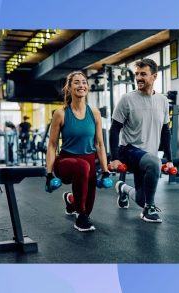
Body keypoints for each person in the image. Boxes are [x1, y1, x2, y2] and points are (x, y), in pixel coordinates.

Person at [109, 59, 173, 223]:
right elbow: (114, 129)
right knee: (154, 162)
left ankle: (122, 188)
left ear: (154, 76)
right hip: (129, 150)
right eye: (137, 74)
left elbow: (166, 131)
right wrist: (115, 158)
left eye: (143, 74)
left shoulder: (163, 101)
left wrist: (170, 160)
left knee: (140, 199)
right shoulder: (127, 99)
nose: (138, 78)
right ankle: (149, 209)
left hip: (147, 154)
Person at [46, 71, 109, 232]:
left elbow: (100, 144)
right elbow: (52, 145)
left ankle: (71, 200)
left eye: (84, 82)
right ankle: (79, 218)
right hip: (66, 162)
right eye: (76, 82)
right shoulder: (60, 114)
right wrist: (49, 174)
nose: (81, 85)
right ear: (69, 87)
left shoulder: (94, 113)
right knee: (83, 212)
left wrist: (106, 171)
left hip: (88, 163)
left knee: (88, 208)